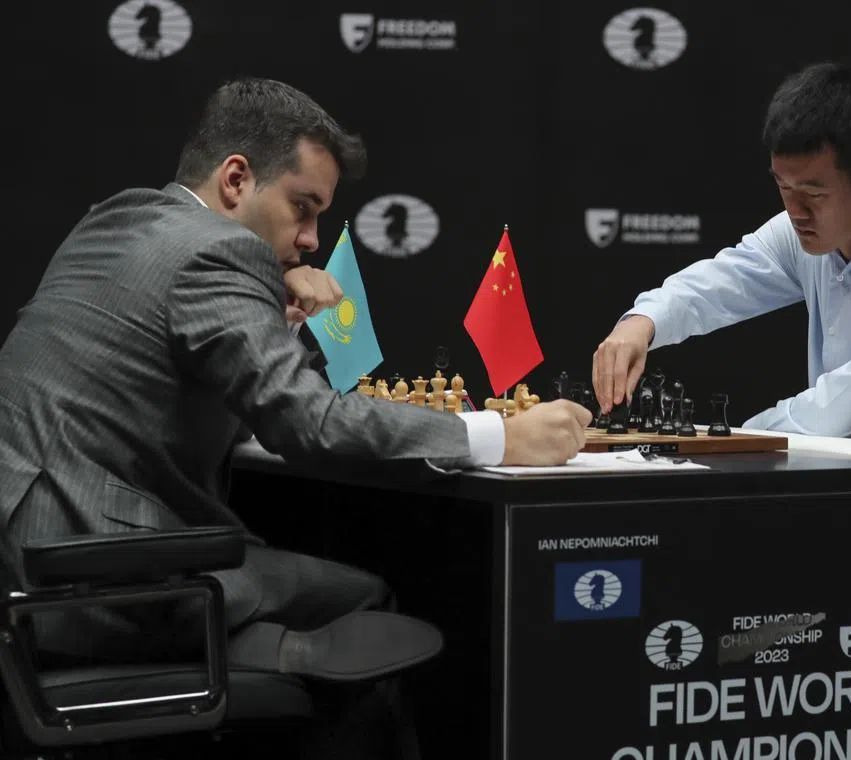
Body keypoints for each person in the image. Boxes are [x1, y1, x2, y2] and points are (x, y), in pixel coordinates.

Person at [0, 77, 591, 757]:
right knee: (368, 601)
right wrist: (498, 436)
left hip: (24, 555)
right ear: (235, 179)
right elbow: (308, 422)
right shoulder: (218, 253)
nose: (311, 239)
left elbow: (154, 359)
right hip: (93, 573)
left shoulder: (119, 218)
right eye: (302, 208)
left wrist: (265, 311)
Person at [591, 62, 851, 455]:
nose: (796, 211)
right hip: (844, 488)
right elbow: (721, 282)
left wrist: (723, 438)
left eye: (814, 194)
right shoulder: (808, 230)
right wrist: (641, 323)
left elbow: (837, 415)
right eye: (784, 186)